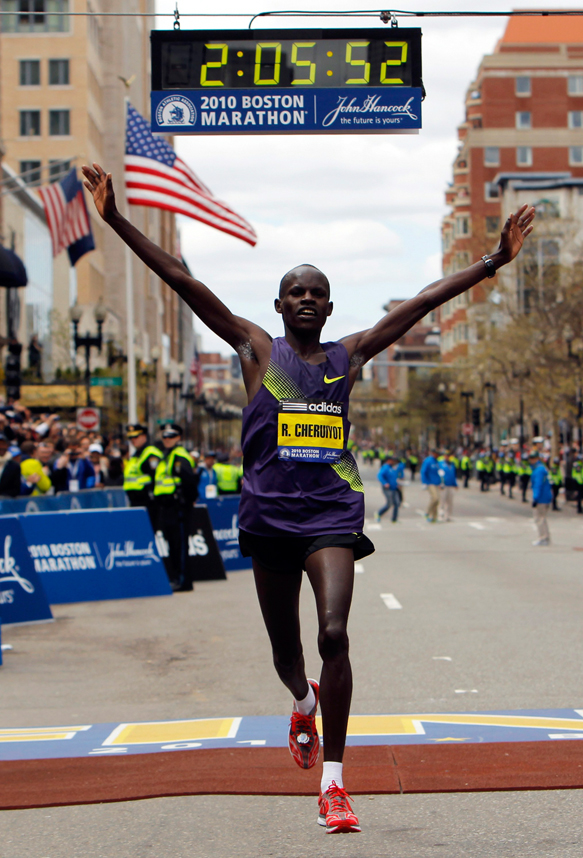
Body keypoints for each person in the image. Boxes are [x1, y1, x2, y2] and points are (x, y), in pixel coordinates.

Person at [82, 160, 534, 834]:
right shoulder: (255, 349)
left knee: (332, 632)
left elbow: (420, 302)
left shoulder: (346, 357)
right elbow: (182, 281)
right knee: (288, 655)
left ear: (327, 306)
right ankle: (300, 701)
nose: (304, 299)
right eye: (293, 290)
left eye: (315, 293)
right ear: (277, 305)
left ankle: (334, 784)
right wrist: (114, 216)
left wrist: (492, 261)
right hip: (267, 519)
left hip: (329, 516)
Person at [153, 423, 198, 591]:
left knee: (179, 545)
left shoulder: (179, 456)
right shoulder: (167, 455)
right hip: (167, 507)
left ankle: (183, 580)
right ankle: (175, 578)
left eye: (171, 436)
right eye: (164, 436)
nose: (167, 439)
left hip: (178, 507)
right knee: (172, 544)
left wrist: (187, 501)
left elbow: (189, 482)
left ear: (178, 438)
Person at [123, 423, 163, 528]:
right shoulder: (136, 455)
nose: (133, 440)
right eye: (130, 437)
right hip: (135, 502)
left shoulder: (150, 454)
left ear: (144, 436)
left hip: (149, 503)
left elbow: (156, 478)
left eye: (136, 437)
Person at [530, 450, 552, 547]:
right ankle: (545, 537)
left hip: (541, 497)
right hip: (546, 496)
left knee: (539, 518)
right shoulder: (542, 468)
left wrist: (535, 498)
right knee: (543, 518)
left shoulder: (538, 470)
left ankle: (543, 537)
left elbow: (537, 485)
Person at [376, 455, 399, 523]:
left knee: (396, 503)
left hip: (394, 488)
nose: (393, 462)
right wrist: (385, 483)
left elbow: (394, 478)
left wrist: (397, 484)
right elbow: (379, 476)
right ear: (388, 460)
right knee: (389, 503)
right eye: (391, 460)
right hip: (387, 488)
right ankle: (379, 514)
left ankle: (394, 519)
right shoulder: (385, 467)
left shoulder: (392, 468)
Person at [421, 449, 441, 523]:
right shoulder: (428, 461)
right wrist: (424, 482)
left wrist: (441, 482)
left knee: (437, 500)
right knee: (434, 498)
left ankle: (434, 517)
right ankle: (427, 512)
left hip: (436, 483)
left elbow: (438, 473)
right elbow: (423, 471)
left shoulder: (437, 462)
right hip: (430, 483)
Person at [0, 433, 22, 497]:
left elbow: (16, 489)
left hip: (5, 502)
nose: (1, 446)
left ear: (7, 446)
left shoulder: (14, 466)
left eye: (3, 444)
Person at [439, 453, 458, 522]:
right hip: (443, 485)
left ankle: (448, 515)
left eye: (448, 456)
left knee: (450, 501)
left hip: (450, 485)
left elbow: (453, 475)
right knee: (442, 501)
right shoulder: (440, 464)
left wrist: (455, 484)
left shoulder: (452, 464)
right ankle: (441, 515)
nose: (447, 457)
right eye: (446, 456)